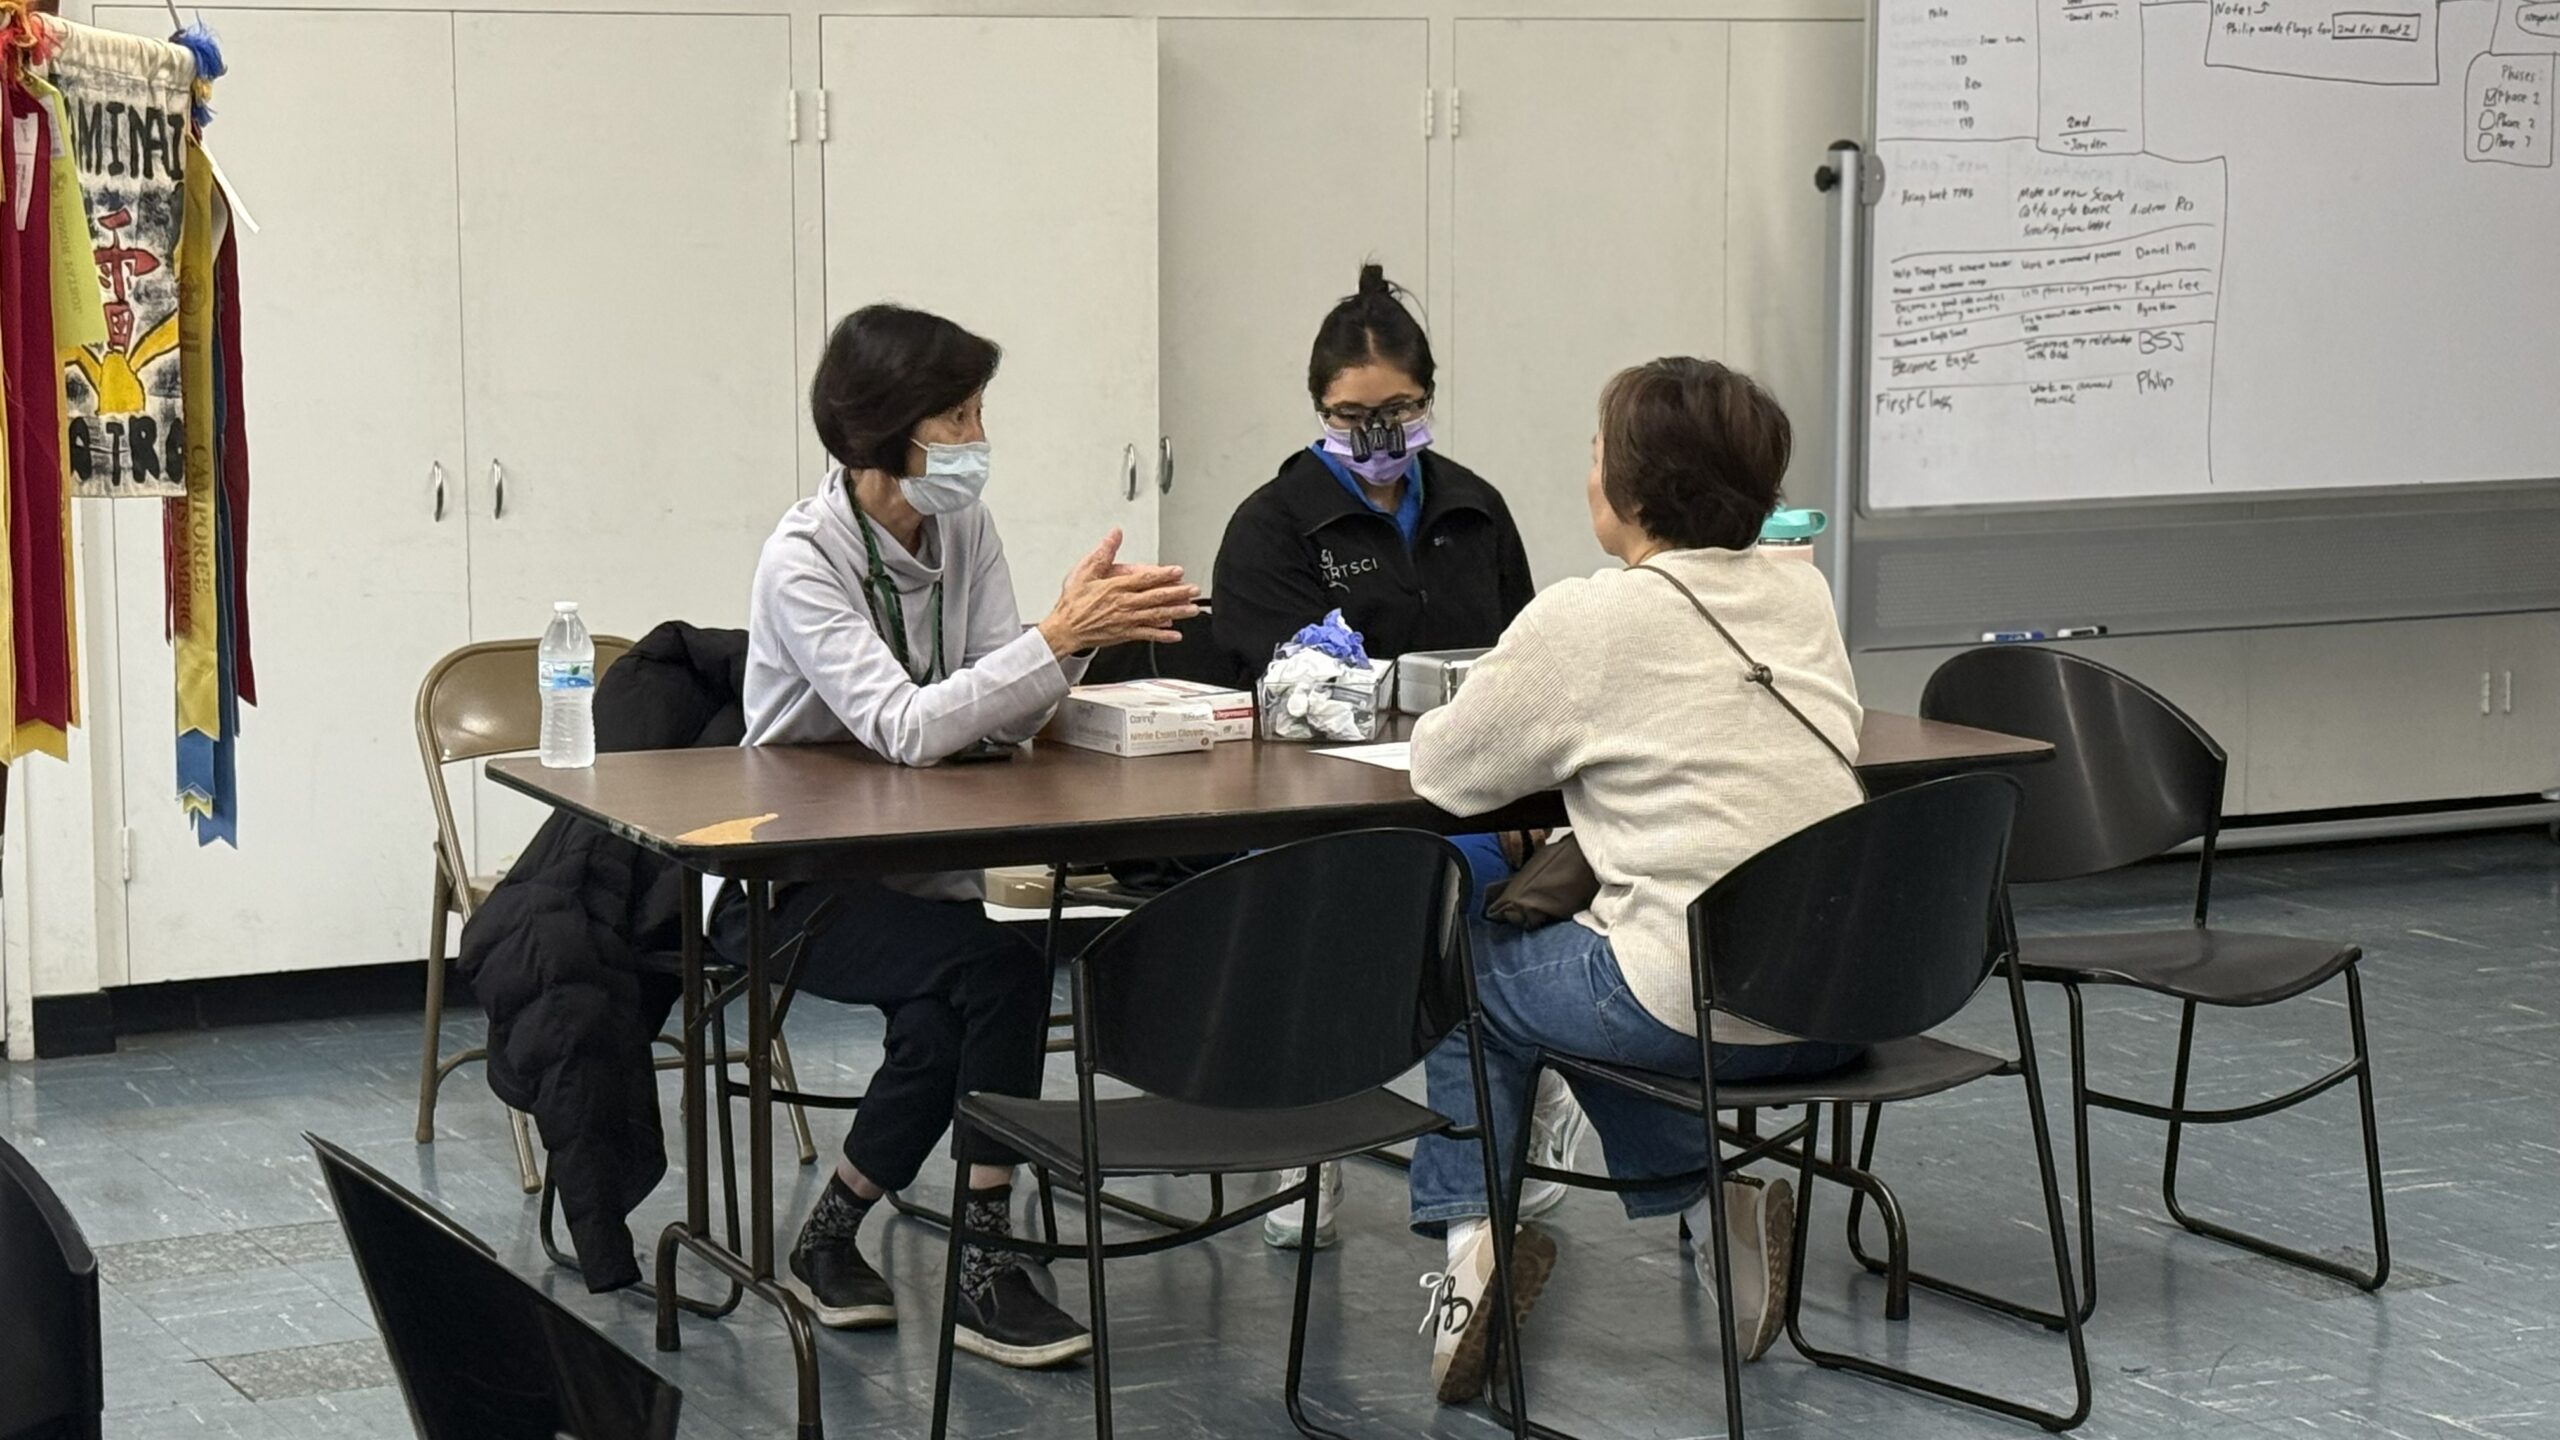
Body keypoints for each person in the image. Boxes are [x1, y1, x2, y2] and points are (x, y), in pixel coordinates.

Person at [720, 304, 1199, 1369]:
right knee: (996, 971)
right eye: (957, 413)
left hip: (924, 859)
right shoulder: (801, 559)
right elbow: (904, 725)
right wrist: (1050, 640)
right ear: (884, 430)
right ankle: (986, 1255)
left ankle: (836, 1229)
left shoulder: (964, 529)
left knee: (958, 1011)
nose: (977, 437)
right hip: (800, 877)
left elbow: (1005, 707)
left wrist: (1073, 646)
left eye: (978, 410)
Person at [1400, 357, 1869, 1404]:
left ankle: (1471, 1255)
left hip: (1696, 1006)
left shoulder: (1592, 619)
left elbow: (1444, 768)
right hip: (1850, 1000)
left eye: (1597, 447)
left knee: (1465, 967)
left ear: (1634, 484)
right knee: (1606, 964)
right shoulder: (1802, 591)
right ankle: (1720, 1201)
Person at [1206, 263, 1583, 1250]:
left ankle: (1474, 1187)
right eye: (1349, 414)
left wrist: (1524, 799)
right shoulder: (1271, 526)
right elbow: (1282, 692)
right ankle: (1309, 1134)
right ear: (1317, 410)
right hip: (1315, 811)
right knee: (1391, 909)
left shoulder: (1474, 510)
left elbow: (1522, 668)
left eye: (1400, 408)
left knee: (1485, 910)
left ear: (1429, 397)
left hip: (1464, 803)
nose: (1376, 436)